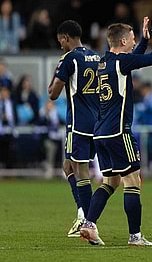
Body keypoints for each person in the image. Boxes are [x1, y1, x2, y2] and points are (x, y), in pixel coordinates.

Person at [79, 17, 152, 246]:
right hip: (119, 132)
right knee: (133, 181)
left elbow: (132, 58)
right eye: (133, 39)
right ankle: (135, 236)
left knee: (110, 182)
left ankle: (88, 223)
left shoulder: (104, 61)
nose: (134, 42)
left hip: (100, 133)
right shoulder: (122, 62)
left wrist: (145, 40)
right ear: (124, 40)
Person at [48, 20, 100, 238]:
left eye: (61, 40)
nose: (60, 44)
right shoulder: (97, 56)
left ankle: (87, 222)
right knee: (68, 166)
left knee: (80, 172)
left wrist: (57, 71)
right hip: (97, 122)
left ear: (66, 38)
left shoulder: (69, 58)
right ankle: (82, 214)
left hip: (78, 123)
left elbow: (53, 93)